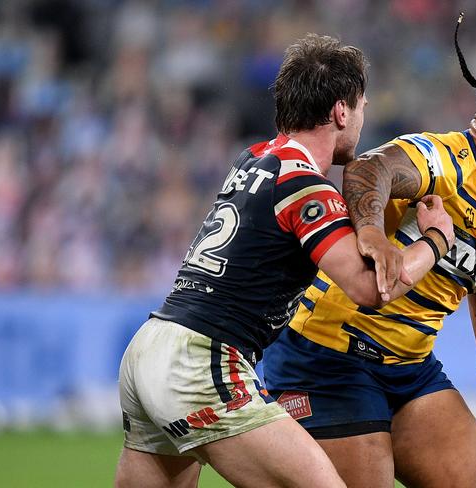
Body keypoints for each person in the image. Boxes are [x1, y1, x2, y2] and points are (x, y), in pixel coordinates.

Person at [114, 33, 455, 488]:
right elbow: (370, 289)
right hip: (202, 359)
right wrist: (434, 240)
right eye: (361, 107)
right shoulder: (306, 185)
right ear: (340, 110)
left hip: (149, 347)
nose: (361, 120)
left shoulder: (253, 158)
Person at [263, 15, 476, 488]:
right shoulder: (440, 159)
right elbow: (369, 169)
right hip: (327, 356)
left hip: (409, 369)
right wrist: (369, 232)